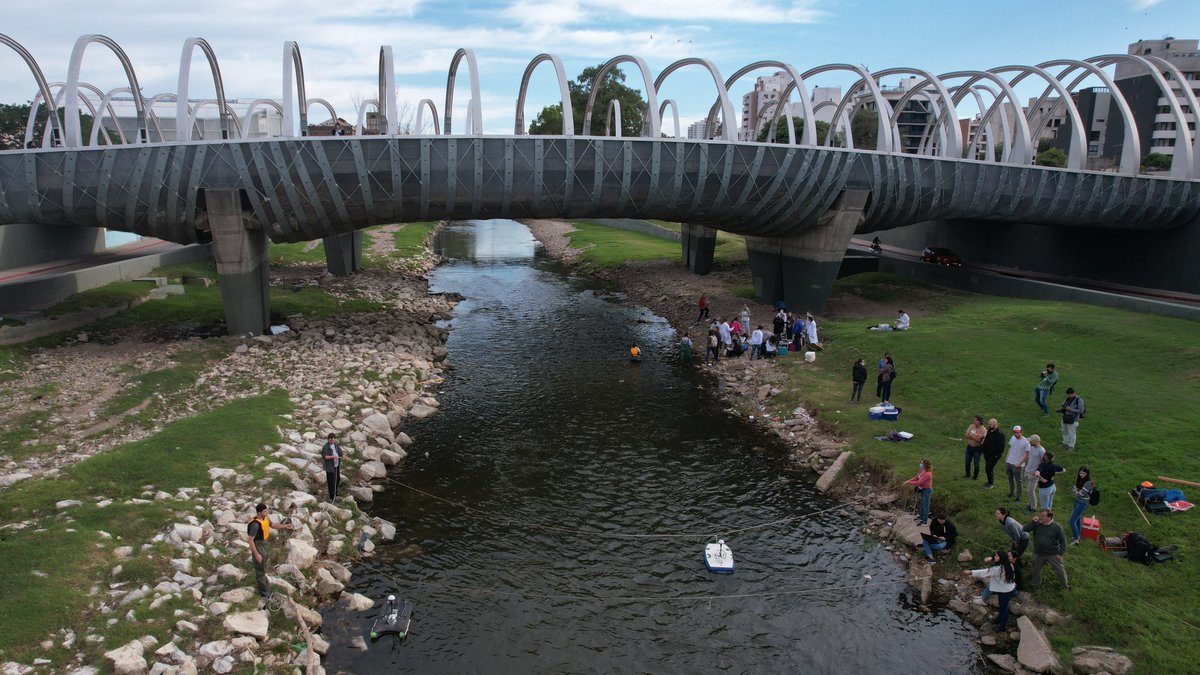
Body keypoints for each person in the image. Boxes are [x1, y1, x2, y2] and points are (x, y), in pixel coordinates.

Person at [246, 502, 297, 599]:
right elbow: (250, 540)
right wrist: (256, 554)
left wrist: (286, 526)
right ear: (259, 512)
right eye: (265, 511)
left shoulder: (265, 518)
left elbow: (273, 525)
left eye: (267, 510)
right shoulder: (255, 525)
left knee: (263, 564)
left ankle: (264, 584)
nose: (267, 512)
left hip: (264, 543)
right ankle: (264, 592)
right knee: (260, 569)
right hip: (258, 545)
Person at [963, 550, 1018, 631]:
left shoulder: (998, 569)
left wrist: (971, 572)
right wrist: (992, 558)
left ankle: (1001, 626)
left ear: (1001, 558)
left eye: (996, 556)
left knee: (1004, 608)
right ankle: (998, 620)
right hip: (1009, 589)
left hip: (1005, 592)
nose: (994, 557)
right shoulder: (1008, 565)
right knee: (1002, 607)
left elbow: (984, 572)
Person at [1023, 509, 1069, 591]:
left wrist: (1060, 553)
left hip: (1053, 554)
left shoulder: (1057, 527)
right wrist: (1032, 522)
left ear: (1049, 517)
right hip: (1038, 553)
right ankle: (1035, 586)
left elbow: (1063, 542)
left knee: (1060, 570)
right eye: (1040, 515)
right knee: (1036, 570)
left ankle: (1064, 586)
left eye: (1042, 516)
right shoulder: (1036, 524)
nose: (1040, 517)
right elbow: (1025, 529)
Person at [1068, 466, 1095, 546]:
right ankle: (1077, 535)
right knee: (1077, 519)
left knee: (1072, 521)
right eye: (1080, 473)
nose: (1081, 475)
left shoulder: (1088, 483)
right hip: (1077, 501)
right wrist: (1077, 490)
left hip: (1082, 503)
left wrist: (1075, 490)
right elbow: (1080, 492)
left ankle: (1076, 540)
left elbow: (1080, 494)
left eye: (1083, 473)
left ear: (1087, 474)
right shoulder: (1081, 480)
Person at [1022, 435, 1047, 513]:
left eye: (1031, 441)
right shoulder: (1031, 447)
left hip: (1033, 474)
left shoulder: (1042, 451)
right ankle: (1029, 504)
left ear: (1036, 441)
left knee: (1030, 491)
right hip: (1027, 471)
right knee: (1028, 490)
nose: (1029, 442)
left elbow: (1043, 463)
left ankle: (1033, 507)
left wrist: (1037, 472)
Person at [905, 458, 934, 525]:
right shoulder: (921, 470)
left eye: (921, 463)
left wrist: (909, 482)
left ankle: (924, 521)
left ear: (925, 464)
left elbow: (919, 482)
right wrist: (909, 480)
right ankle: (921, 517)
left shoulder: (928, 474)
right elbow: (916, 477)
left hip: (927, 490)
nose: (920, 464)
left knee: (925, 505)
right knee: (922, 504)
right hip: (922, 489)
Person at [1005, 425, 1030, 501]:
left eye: (1017, 432)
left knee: (1018, 481)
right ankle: (1011, 492)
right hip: (1009, 462)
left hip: (1018, 464)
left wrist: (1019, 464)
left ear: (1021, 432)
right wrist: (1007, 458)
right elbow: (1010, 448)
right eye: (1014, 432)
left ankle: (1018, 497)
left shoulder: (1026, 442)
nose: (1016, 434)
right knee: (1010, 478)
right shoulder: (1013, 438)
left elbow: (1026, 455)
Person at [981, 418, 1006, 489]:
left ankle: (990, 483)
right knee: (988, 468)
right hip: (987, 454)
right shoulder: (989, 431)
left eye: (990, 424)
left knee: (989, 468)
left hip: (994, 455)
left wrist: (996, 455)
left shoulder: (1000, 434)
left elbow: (1001, 447)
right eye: (988, 424)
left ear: (995, 424)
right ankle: (989, 481)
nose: (988, 425)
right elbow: (986, 440)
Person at [320, 433, 344, 501]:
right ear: (328, 439)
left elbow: (340, 452)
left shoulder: (336, 444)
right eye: (331, 440)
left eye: (333, 440)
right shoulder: (325, 447)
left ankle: (335, 493)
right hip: (330, 467)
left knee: (337, 479)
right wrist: (333, 457)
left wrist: (343, 455)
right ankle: (331, 496)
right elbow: (324, 457)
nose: (332, 442)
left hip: (336, 465)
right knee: (331, 481)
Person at [963, 415, 987, 480]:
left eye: (976, 420)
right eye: (974, 420)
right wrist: (976, 437)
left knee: (976, 463)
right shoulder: (971, 426)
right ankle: (967, 475)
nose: (974, 421)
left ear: (979, 421)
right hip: (969, 447)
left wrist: (971, 436)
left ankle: (975, 477)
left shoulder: (983, 429)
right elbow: (966, 436)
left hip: (977, 448)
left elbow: (979, 440)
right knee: (967, 462)